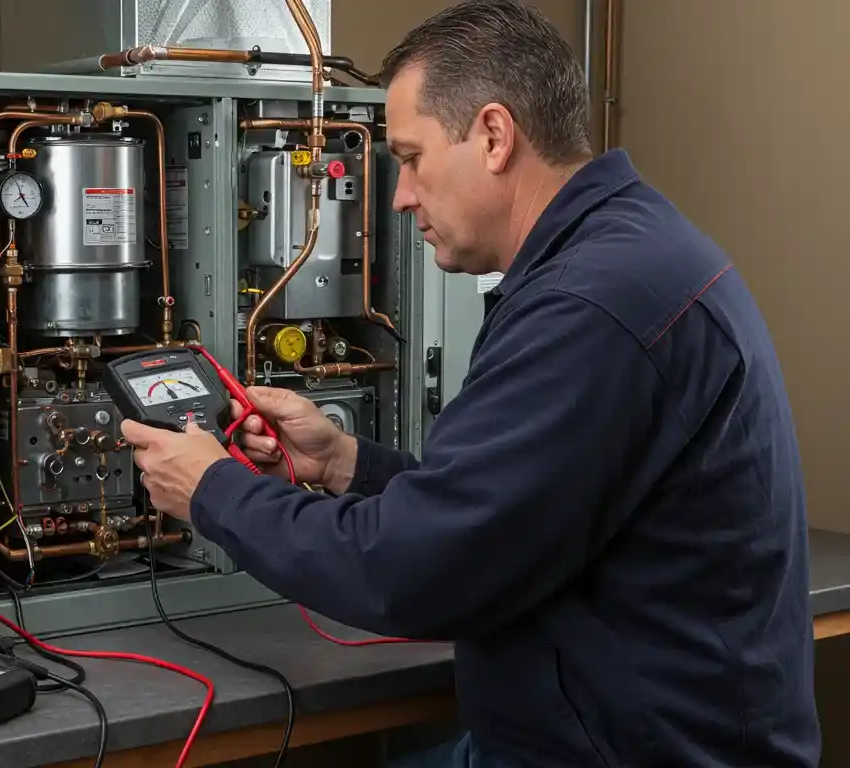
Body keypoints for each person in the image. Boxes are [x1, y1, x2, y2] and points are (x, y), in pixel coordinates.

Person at [118, 0, 822, 765]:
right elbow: (510, 507)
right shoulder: (617, 253)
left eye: (412, 157)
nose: (399, 196)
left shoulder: (593, 307)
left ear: (493, 135)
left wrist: (213, 491)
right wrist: (345, 465)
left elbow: (416, 574)